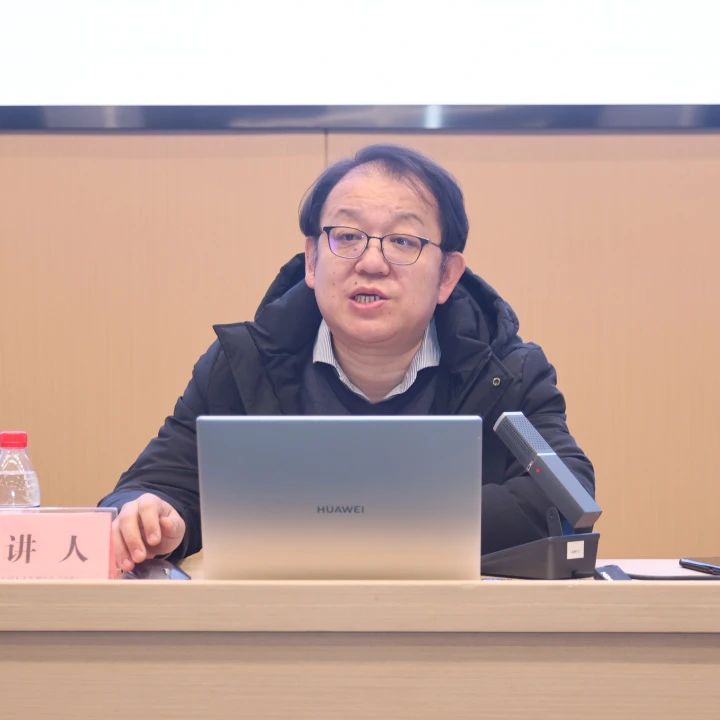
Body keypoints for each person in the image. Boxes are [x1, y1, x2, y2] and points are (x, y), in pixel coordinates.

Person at [99, 143, 595, 572]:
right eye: (348, 236)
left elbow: (565, 495)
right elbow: (148, 487)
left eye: (403, 241)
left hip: (449, 630)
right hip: (282, 630)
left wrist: (359, 516)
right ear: (312, 259)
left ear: (447, 276)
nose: (371, 262)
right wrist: (148, 516)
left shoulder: (506, 372)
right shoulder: (244, 365)